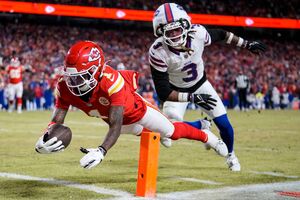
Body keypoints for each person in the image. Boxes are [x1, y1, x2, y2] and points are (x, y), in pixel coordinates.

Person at [34, 41, 228, 169]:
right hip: (114, 119)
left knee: (172, 133)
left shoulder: (111, 82)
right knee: (154, 134)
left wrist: (101, 151)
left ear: (98, 70)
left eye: (81, 77)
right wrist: (45, 137)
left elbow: (115, 125)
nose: (73, 83)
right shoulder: (64, 86)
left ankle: (207, 136)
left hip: (137, 112)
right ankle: (192, 127)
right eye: (71, 77)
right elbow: (58, 118)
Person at [149, 3, 267, 171]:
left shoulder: (198, 34)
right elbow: (163, 92)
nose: (174, 35)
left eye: (177, 29)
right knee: (169, 133)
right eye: (169, 31)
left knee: (225, 124)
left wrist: (246, 44)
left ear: (186, 25)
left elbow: (223, 35)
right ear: (161, 32)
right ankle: (201, 126)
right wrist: (190, 97)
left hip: (201, 85)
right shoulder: (158, 51)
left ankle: (231, 155)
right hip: (177, 90)